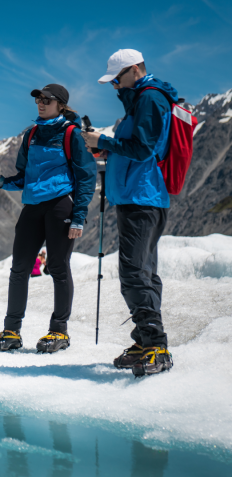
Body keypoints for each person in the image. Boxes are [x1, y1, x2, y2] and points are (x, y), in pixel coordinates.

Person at [82, 49, 176, 376]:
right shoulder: (142, 100)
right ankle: (145, 342)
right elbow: (136, 147)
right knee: (144, 272)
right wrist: (103, 146)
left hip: (142, 197)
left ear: (134, 70)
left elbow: (143, 148)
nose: (114, 87)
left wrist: (104, 141)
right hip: (140, 197)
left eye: (117, 79)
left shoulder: (149, 99)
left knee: (134, 273)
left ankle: (156, 347)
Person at [0, 84, 96, 353]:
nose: (40, 103)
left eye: (47, 99)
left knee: (57, 267)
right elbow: (24, 177)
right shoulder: (31, 134)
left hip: (60, 205)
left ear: (61, 104)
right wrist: (2, 182)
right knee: (19, 268)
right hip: (32, 206)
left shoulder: (71, 133)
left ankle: (59, 332)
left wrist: (79, 216)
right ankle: (11, 330)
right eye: (38, 99)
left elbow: (85, 176)